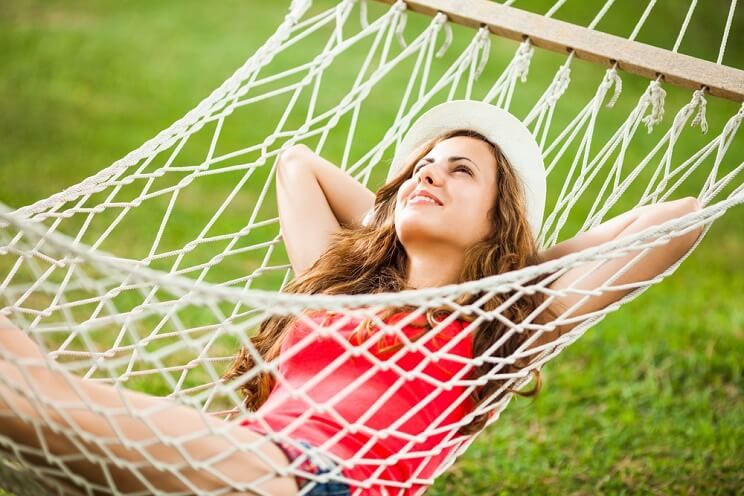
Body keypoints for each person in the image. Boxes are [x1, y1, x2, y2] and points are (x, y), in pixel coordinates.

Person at [0, 100, 703, 496]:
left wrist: (514, 267)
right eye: (421, 168)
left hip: (309, 483)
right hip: (242, 458)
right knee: (26, 376)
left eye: (460, 173)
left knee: (25, 398)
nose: (430, 176)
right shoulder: (339, 287)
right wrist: (397, 216)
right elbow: (296, 163)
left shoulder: (501, 327)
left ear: (500, 218)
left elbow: (680, 220)